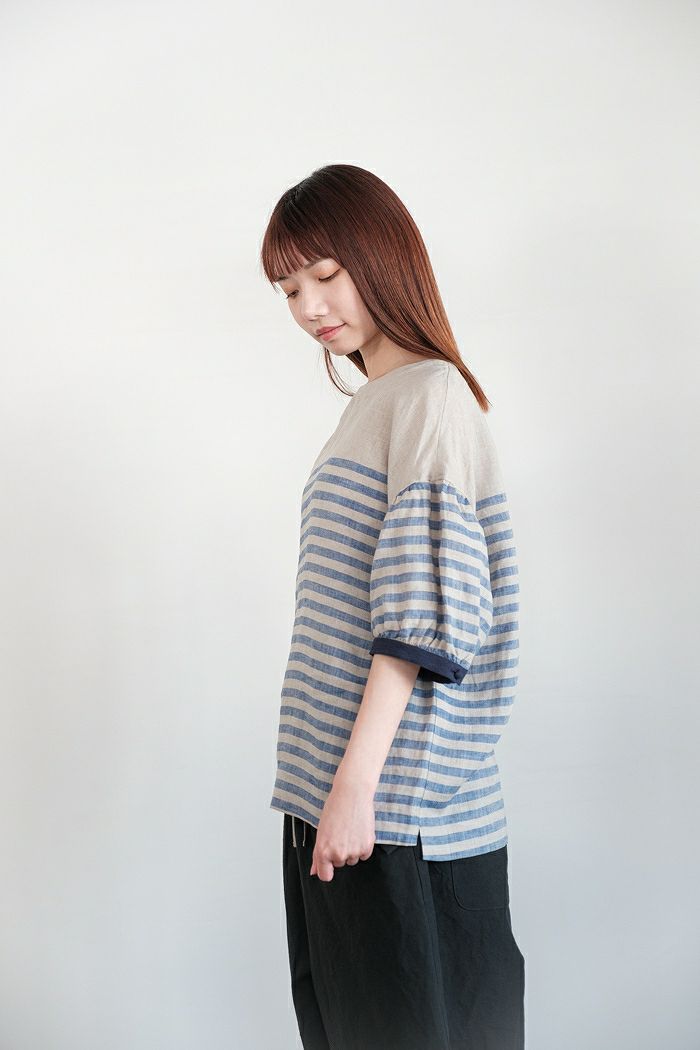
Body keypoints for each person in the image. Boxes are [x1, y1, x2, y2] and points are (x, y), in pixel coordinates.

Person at [260, 164, 525, 1050]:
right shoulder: (376, 405)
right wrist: (330, 797)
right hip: (343, 804)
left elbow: (419, 619)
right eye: (289, 289)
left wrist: (354, 792)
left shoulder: (430, 394)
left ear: (382, 257)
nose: (309, 307)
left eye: (326, 274)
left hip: (396, 817)